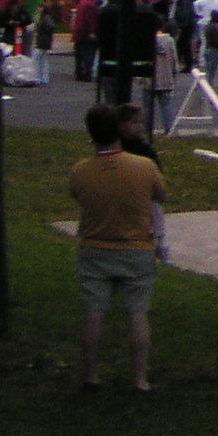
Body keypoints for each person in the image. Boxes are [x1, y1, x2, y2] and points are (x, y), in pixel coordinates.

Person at [68, 104, 167, 391]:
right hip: (136, 247)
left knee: (94, 311)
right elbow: (161, 195)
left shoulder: (81, 171)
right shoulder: (144, 167)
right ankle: (139, 378)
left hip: (95, 246)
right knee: (137, 312)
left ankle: (91, 375)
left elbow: (76, 195)